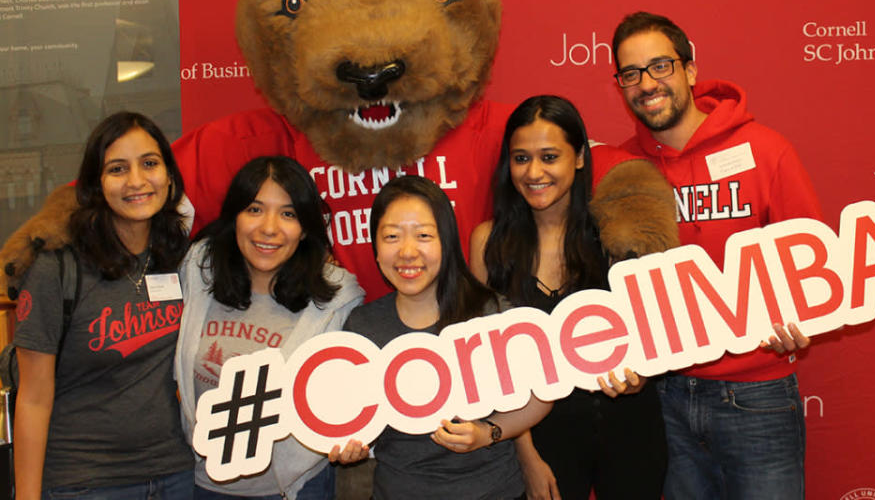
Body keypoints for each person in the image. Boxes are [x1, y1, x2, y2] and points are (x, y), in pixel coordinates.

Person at [611, 11, 819, 499]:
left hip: (757, 393)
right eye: (631, 73)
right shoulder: (620, 170)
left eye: (660, 66)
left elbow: (813, 263)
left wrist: (806, 313)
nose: (647, 84)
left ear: (690, 69)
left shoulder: (766, 151)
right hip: (664, 396)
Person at [469, 95, 668, 500]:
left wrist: (640, 375)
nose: (534, 172)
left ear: (578, 157)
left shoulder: (614, 233)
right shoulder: (488, 243)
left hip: (630, 430)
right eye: (521, 158)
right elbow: (488, 371)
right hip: (540, 441)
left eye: (549, 156)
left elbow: (657, 333)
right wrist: (526, 456)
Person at [12, 111, 195, 499]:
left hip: (176, 475)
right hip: (85, 482)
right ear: (96, 183)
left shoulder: (181, 257)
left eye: (149, 163)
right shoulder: (56, 268)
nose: (136, 181)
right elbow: (32, 398)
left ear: (169, 174)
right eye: (117, 168)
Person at [337, 175, 551, 500]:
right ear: (376, 249)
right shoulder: (362, 326)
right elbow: (352, 420)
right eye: (392, 236)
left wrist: (488, 433)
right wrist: (351, 445)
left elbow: (541, 394)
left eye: (423, 235)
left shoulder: (488, 312)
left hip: (494, 491)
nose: (408, 251)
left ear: (446, 242)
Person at [174, 156, 365, 499]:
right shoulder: (198, 270)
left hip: (294, 487)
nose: (269, 228)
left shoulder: (337, 299)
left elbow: (348, 397)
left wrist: (353, 439)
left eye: (288, 214)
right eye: (255, 209)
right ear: (234, 217)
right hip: (200, 483)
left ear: (306, 226)